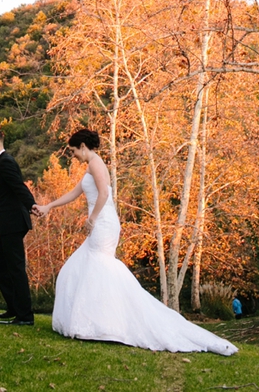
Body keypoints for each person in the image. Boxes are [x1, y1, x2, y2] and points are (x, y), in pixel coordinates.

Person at [32, 128, 237, 355]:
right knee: (78, 270)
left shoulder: (95, 164)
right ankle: (97, 323)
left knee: (97, 268)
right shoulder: (91, 167)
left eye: (73, 151)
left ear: (82, 146)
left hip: (103, 224)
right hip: (102, 222)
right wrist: (48, 206)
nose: (73, 156)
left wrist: (92, 219)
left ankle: (102, 324)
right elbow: (74, 193)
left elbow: (103, 195)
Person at [0, 128, 36, 326]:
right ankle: (15, 308)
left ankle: (25, 316)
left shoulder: (6, 162)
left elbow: (18, 186)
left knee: (15, 268)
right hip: (7, 223)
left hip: (13, 222)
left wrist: (32, 205)